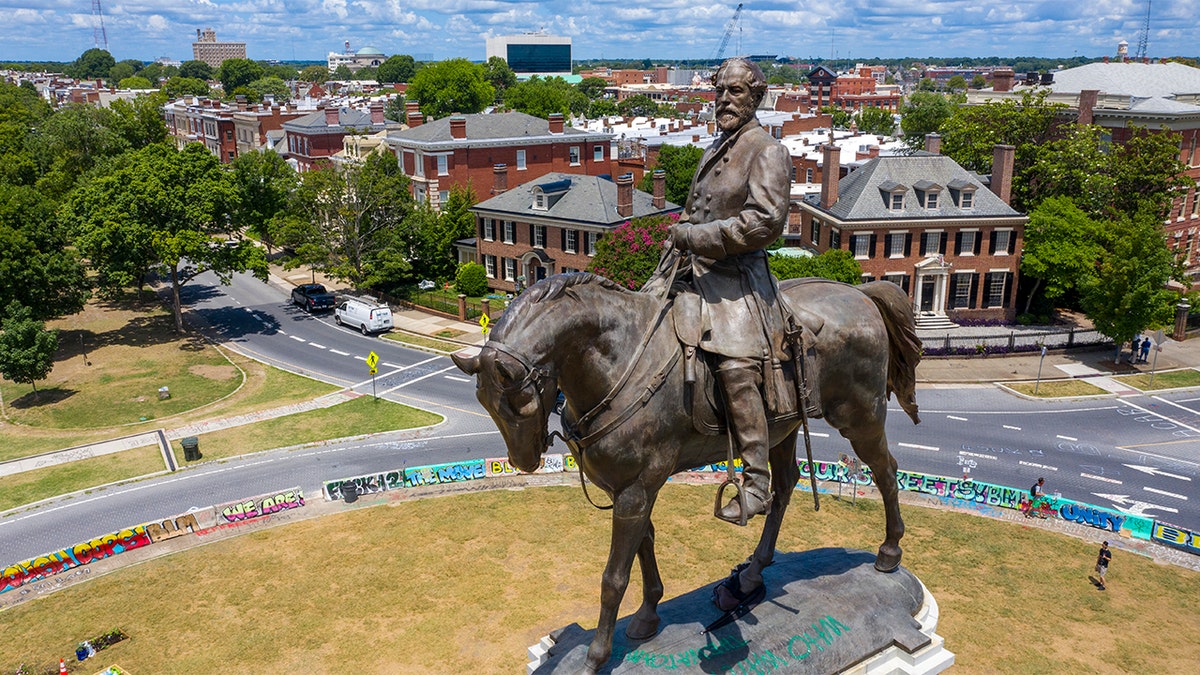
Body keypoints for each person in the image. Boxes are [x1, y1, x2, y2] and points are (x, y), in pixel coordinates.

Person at [648, 57, 792, 524]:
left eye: (735, 92)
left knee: (734, 365)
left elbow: (765, 222)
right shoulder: (717, 146)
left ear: (756, 97)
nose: (724, 100)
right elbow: (699, 207)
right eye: (720, 92)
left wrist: (696, 237)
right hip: (689, 267)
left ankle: (755, 482)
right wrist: (682, 237)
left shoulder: (766, 150)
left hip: (738, 277)